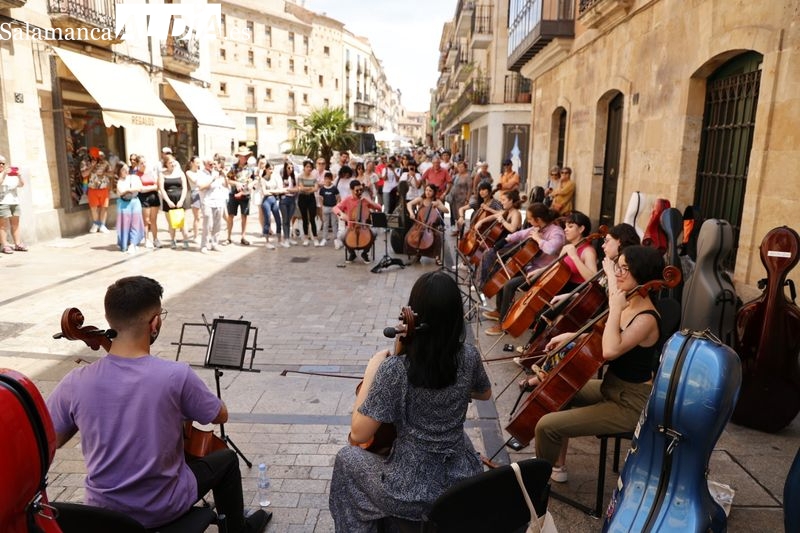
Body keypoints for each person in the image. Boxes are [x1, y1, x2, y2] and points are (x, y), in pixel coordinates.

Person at [46, 276, 271, 533]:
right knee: (227, 459)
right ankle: (238, 529)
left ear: (110, 320)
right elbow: (220, 415)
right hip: (162, 508)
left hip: (103, 515)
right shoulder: (175, 376)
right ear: (154, 322)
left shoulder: (76, 382)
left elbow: (49, 439)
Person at [329, 271, 492, 531]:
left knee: (347, 459)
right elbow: (484, 393)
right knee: (463, 440)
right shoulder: (469, 356)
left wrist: (373, 371)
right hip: (460, 483)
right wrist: (454, 387)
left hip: (410, 493)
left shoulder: (395, 370)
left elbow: (359, 434)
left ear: (415, 316)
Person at [534, 245, 665, 483]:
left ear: (644, 275)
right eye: (619, 266)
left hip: (631, 402)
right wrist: (571, 336)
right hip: (612, 386)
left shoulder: (645, 318)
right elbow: (606, 334)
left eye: (626, 269)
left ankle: (536, 483)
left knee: (546, 426)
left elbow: (610, 349)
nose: (618, 273)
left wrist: (615, 306)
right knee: (558, 389)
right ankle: (557, 465)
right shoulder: (630, 302)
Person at [484, 203, 566, 335]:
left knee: (509, 285)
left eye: (529, 218)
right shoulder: (538, 228)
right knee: (505, 274)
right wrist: (504, 241)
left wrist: (538, 239)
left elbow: (551, 249)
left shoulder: (556, 232)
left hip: (545, 273)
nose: (528, 221)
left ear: (538, 219)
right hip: (532, 268)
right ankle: (500, 311)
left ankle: (502, 325)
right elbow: (520, 234)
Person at [333, 179, 382, 264]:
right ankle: (352, 253)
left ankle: (365, 253)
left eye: (361, 190)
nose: (359, 192)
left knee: (374, 234)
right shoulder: (347, 200)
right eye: (357, 190)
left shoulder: (365, 200)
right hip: (351, 227)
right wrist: (341, 214)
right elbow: (335, 208)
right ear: (351, 190)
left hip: (364, 227)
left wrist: (369, 201)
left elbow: (379, 208)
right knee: (341, 236)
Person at [405, 184, 449, 266]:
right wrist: (411, 213)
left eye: (430, 191)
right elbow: (409, 204)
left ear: (434, 192)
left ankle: (437, 257)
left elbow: (446, 211)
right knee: (408, 236)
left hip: (431, 226)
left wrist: (439, 205)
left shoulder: (437, 201)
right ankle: (417, 254)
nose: (427, 192)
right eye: (426, 190)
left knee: (437, 237)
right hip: (419, 225)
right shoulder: (421, 199)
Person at [196, 157, 228, 253]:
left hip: (219, 201)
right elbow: (201, 187)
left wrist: (225, 176)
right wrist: (212, 179)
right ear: (205, 164)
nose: (212, 166)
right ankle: (204, 245)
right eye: (210, 164)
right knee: (207, 225)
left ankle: (214, 243)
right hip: (207, 201)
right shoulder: (201, 174)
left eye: (213, 164)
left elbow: (226, 185)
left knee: (218, 224)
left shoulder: (217, 173)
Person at [158, 156, 190, 249]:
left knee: (183, 222)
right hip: (168, 200)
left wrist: (181, 200)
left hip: (180, 199)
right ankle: (173, 240)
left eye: (173, 162)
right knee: (171, 222)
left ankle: (186, 240)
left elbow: (185, 188)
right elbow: (162, 189)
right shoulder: (162, 174)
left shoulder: (180, 173)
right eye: (170, 162)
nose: (172, 164)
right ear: (166, 164)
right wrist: (168, 201)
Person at [225, 147, 255, 246]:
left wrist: (251, 184)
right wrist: (236, 183)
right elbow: (228, 180)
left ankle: (243, 237)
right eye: (243, 156)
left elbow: (254, 179)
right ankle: (228, 237)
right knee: (231, 215)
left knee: (244, 216)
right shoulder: (233, 167)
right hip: (234, 194)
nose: (245, 158)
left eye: (247, 156)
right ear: (239, 156)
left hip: (245, 194)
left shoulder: (250, 168)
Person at [114, 162, 145, 254]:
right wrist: (130, 190)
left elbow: (139, 188)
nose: (126, 171)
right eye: (123, 169)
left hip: (135, 202)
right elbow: (120, 191)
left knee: (135, 223)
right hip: (123, 204)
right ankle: (125, 243)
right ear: (119, 171)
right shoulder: (117, 180)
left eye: (127, 168)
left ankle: (133, 243)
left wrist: (128, 190)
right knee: (124, 224)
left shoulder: (134, 177)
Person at [0, 159, 27, 254]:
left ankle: (18, 244)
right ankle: (5, 245)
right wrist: (3, 175)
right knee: (2, 226)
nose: (1, 165)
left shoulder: (11, 175)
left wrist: (19, 176)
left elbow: (21, 184)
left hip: (14, 202)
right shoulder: (3, 175)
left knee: (15, 224)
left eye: (2, 163)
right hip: (2, 202)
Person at [135, 155, 162, 249]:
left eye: (144, 162)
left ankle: (155, 239)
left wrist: (150, 187)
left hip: (154, 197)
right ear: (138, 164)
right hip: (144, 198)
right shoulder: (137, 175)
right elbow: (140, 189)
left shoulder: (151, 172)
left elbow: (157, 184)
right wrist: (153, 187)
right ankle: (147, 240)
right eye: (141, 163)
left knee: (153, 220)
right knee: (146, 221)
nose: (143, 164)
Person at [84, 148, 113, 233]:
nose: (96, 157)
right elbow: (84, 174)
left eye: (98, 155)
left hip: (103, 188)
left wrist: (104, 173)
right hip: (92, 188)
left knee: (104, 207)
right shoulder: (85, 163)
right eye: (93, 155)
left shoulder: (105, 163)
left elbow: (111, 174)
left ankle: (102, 225)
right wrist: (92, 166)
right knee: (93, 208)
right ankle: (96, 224)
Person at [297, 159, 321, 246]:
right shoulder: (300, 176)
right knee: (304, 219)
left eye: (310, 167)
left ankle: (315, 238)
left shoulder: (313, 177)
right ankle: (306, 238)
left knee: (312, 218)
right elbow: (301, 188)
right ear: (304, 167)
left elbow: (316, 188)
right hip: (302, 198)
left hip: (311, 198)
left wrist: (308, 189)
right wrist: (310, 188)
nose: (309, 168)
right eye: (307, 166)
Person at [279, 160, 300, 246]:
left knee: (289, 219)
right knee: (285, 220)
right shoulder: (282, 177)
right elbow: (281, 189)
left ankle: (289, 238)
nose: (290, 169)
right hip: (284, 200)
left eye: (292, 167)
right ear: (285, 168)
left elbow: (297, 188)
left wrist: (289, 190)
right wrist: (289, 190)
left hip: (292, 199)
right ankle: (286, 239)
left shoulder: (294, 177)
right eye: (288, 167)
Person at [448, 160, 472, 233]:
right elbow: (451, 182)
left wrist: (467, 199)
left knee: (460, 216)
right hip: (454, 198)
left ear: (465, 167)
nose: (460, 168)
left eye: (462, 167)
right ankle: (458, 230)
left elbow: (470, 188)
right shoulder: (457, 175)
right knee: (455, 215)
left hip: (461, 199)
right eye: (459, 167)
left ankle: (461, 233)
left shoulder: (468, 176)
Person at [319, 171, 340, 247]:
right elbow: (320, 198)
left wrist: (336, 206)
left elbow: (338, 197)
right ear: (324, 179)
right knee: (325, 224)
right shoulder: (322, 189)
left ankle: (335, 239)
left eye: (329, 179)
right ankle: (324, 238)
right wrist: (322, 206)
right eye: (326, 179)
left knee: (334, 224)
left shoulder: (334, 188)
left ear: (331, 179)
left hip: (333, 207)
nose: (327, 180)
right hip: (325, 207)